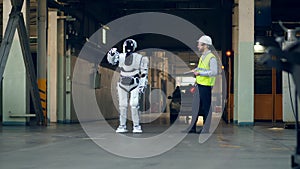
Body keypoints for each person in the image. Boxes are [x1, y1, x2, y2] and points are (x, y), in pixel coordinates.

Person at [107, 39, 149, 133]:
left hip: (135, 83)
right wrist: (111, 54)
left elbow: (144, 73)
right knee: (123, 105)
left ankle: (136, 125)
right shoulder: (121, 56)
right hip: (123, 83)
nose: (128, 48)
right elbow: (112, 62)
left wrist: (142, 85)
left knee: (134, 105)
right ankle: (122, 125)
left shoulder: (140, 58)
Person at [187, 35, 218, 133]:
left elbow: (214, 72)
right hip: (199, 85)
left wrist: (200, 73)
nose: (197, 46)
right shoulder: (203, 57)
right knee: (195, 106)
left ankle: (206, 129)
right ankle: (192, 127)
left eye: (199, 44)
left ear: (205, 45)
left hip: (206, 86)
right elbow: (202, 68)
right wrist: (196, 70)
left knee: (206, 107)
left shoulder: (211, 58)